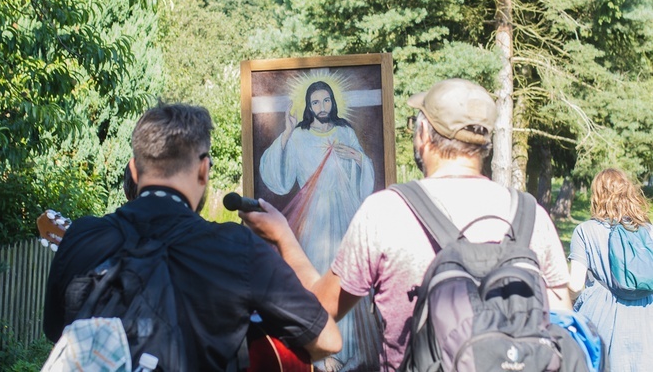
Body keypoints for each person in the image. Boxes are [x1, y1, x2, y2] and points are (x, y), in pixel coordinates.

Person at [242, 78, 572, 371]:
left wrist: (284, 236)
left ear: (424, 135)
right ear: (484, 142)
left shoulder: (386, 212)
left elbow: (321, 310)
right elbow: (561, 324)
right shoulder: (532, 216)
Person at [43, 102, 341, 371]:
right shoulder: (238, 249)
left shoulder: (81, 236)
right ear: (203, 169)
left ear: (134, 171)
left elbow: (60, 334)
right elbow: (327, 341)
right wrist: (284, 237)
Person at [259, 80, 379, 371]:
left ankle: (346, 350)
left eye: (326, 101)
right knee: (315, 274)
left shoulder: (345, 132)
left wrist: (360, 160)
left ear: (332, 103)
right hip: (313, 217)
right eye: (316, 102)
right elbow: (279, 177)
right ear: (308, 106)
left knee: (345, 277)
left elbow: (363, 177)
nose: (321, 107)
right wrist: (286, 133)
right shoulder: (298, 137)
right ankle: (320, 349)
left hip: (345, 214)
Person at [568, 168, 653, 371]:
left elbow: (575, 284)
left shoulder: (585, 231)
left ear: (597, 195)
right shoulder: (648, 229)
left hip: (601, 320)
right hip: (645, 320)